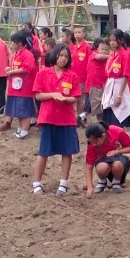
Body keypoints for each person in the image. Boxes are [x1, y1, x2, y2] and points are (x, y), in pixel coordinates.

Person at [31, 44, 81, 194]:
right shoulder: (43, 73)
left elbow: (75, 97)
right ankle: (36, 183)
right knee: (44, 151)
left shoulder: (72, 76)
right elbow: (38, 95)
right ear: (55, 56)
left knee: (67, 151)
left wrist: (65, 99)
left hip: (66, 119)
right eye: (61, 55)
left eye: (66, 56)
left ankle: (63, 183)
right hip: (48, 117)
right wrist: (53, 95)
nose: (63, 59)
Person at [84, 121, 130, 195]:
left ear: (103, 136)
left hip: (119, 159)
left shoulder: (117, 132)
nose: (93, 144)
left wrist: (116, 152)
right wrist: (89, 188)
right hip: (103, 161)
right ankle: (102, 180)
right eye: (91, 142)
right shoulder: (91, 144)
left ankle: (116, 181)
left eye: (95, 142)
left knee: (117, 165)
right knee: (102, 168)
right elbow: (89, 167)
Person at [4, 30, 38, 137]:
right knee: (17, 109)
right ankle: (20, 128)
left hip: (24, 87)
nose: (11, 44)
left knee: (24, 109)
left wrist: (13, 72)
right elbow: (14, 67)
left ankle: (25, 130)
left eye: (13, 42)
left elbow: (27, 68)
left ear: (19, 43)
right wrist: (9, 69)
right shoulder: (15, 54)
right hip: (15, 87)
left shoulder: (27, 54)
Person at [102, 29, 130, 128]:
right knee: (108, 117)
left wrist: (119, 95)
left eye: (114, 40)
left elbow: (125, 76)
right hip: (110, 86)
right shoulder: (111, 55)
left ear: (120, 40)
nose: (112, 43)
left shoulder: (125, 55)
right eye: (110, 40)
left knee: (118, 116)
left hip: (119, 86)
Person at [68, 25, 92, 123]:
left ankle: (81, 118)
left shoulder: (87, 47)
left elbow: (90, 63)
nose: (77, 35)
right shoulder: (73, 47)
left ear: (84, 34)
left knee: (80, 99)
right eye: (75, 33)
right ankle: (75, 118)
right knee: (73, 98)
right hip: (72, 77)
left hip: (82, 78)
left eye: (79, 32)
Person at [86, 36, 108, 121]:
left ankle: (100, 122)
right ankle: (82, 117)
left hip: (101, 84)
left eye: (106, 50)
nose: (104, 51)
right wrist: (112, 56)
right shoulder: (94, 54)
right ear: (97, 49)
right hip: (95, 85)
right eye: (102, 49)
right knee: (97, 106)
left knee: (100, 106)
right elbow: (99, 57)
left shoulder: (105, 56)